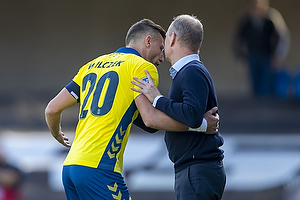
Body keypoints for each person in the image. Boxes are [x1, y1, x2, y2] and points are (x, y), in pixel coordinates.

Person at [45, 18, 220, 200]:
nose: (161, 57)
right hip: (100, 168)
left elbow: (52, 109)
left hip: (70, 167)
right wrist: (200, 125)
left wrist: (56, 132)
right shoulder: (141, 67)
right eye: (160, 48)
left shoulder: (91, 66)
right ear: (148, 41)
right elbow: (150, 119)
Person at [131, 14, 226, 200]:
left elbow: (191, 115)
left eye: (166, 37)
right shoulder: (189, 71)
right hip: (194, 169)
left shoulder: (191, 71)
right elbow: (177, 118)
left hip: (197, 169)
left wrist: (157, 98)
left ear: (173, 38)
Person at [232, 0, 280, 97]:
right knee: (255, 84)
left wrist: (275, 55)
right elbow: (238, 41)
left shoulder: (269, 22)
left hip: (266, 55)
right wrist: (241, 58)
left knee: (266, 83)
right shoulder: (246, 23)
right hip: (252, 55)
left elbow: (278, 38)